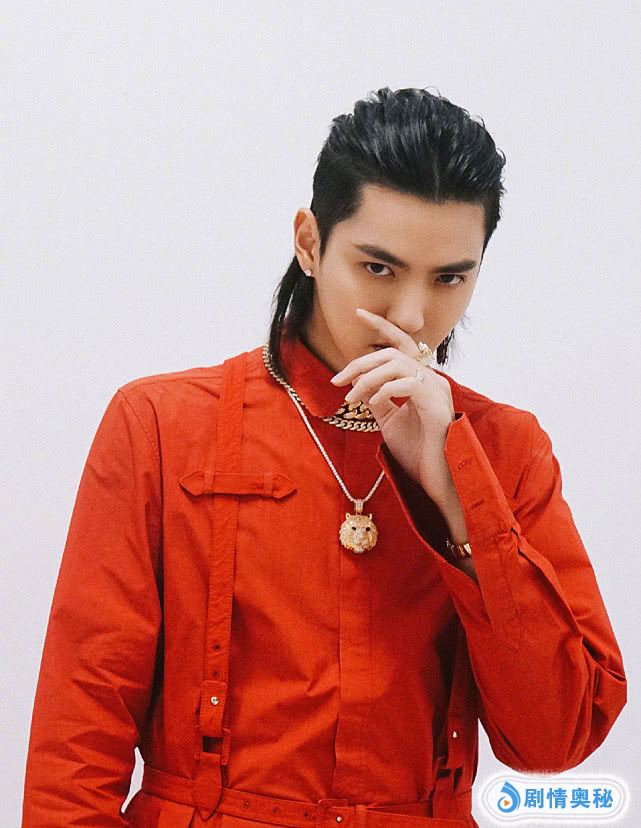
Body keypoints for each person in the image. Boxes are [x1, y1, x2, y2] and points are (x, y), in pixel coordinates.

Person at [21, 86, 627, 828]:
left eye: (450, 278)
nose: (412, 316)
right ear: (309, 242)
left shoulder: (505, 449)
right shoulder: (161, 426)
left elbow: (555, 738)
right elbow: (77, 743)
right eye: (378, 268)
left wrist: (455, 490)